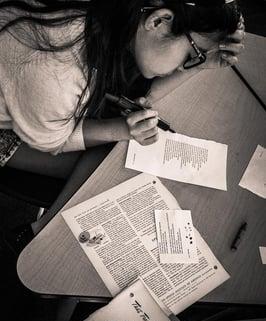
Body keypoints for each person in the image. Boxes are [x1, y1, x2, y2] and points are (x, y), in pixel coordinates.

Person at [0, 0, 245, 254]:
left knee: (120, 149)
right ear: (159, 20)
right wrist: (122, 129)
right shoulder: (58, 70)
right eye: (191, 56)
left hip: (36, 104)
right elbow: (55, 141)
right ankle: (41, 233)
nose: (182, 67)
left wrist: (202, 63)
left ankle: (42, 230)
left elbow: (141, 95)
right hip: (15, 129)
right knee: (115, 160)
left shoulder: (123, 19)